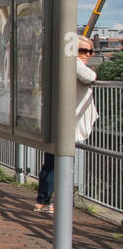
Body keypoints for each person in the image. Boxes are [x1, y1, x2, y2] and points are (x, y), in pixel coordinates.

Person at [35, 37, 99, 213]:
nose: (86, 54)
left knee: (51, 162)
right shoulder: (72, 62)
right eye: (82, 50)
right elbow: (89, 77)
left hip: (57, 118)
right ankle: (57, 202)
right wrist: (89, 69)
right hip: (68, 121)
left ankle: (43, 200)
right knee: (63, 162)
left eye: (89, 51)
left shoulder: (57, 61)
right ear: (72, 50)